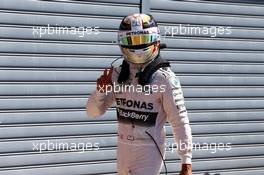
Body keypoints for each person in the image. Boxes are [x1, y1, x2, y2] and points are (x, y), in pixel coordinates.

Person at [87, 13, 192, 175]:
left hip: (149, 152)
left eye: (142, 40)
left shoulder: (165, 79)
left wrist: (186, 162)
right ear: (122, 42)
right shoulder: (116, 75)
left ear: (155, 40)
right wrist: (101, 91)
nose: (137, 46)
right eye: (131, 41)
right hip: (123, 150)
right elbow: (92, 112)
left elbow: (179, 121)